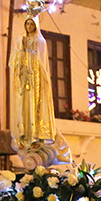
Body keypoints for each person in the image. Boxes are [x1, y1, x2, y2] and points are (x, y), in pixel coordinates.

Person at [8, 16, 68, 162]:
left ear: (35, 26)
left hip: (36, 83)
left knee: (36, 108)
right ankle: (26, 135)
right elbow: (13, 62)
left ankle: (37, 136)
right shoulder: (20, 40)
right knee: (25, 109)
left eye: (31, 24)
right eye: (27, 24)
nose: (29, 26)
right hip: (24, 83)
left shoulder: (40, 42)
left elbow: (42, 63)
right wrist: (21, 51)